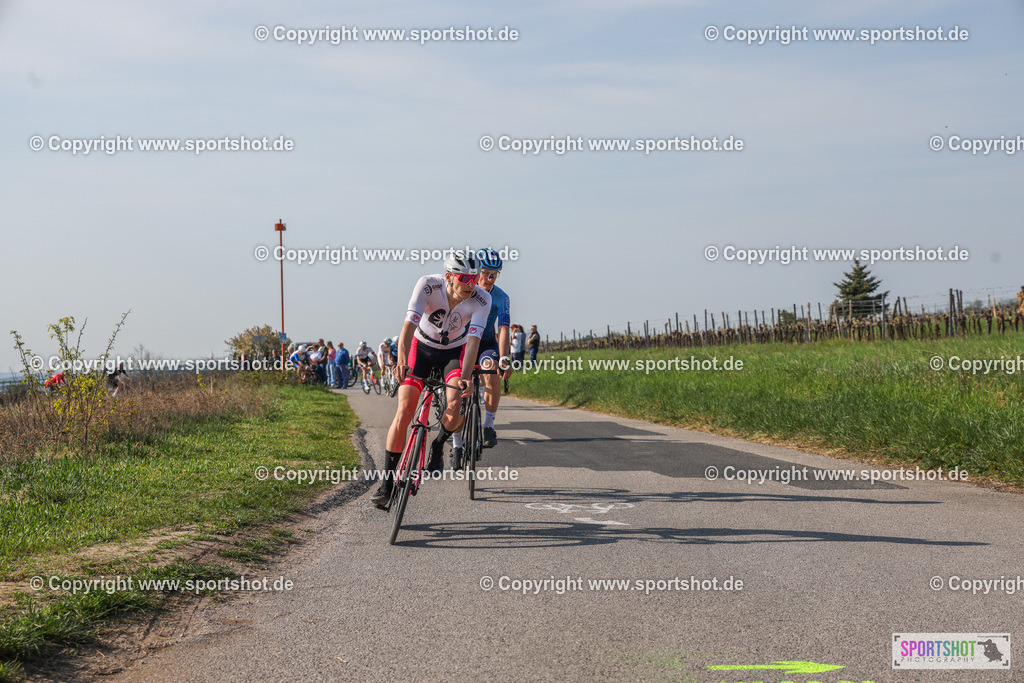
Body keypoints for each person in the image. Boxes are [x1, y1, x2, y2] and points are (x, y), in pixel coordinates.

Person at [370, 252, 490, 508]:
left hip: (454, 353)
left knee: (456, 403)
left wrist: (465, 379)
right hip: (421, 348)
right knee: (404, 410)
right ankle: (387, 484)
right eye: (464, 278)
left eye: (474, 278)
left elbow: (473, 342)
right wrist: (401, 362)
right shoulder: (428, 285)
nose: (471, 284)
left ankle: (438, 444)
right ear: (449, 277)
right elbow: (408, 327)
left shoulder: (482, 299)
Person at [451, 248, 510, 463]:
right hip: (462, 344)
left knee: (491, 372)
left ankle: (488, 427)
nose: (490, 278)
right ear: (477, 273)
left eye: (494, 274)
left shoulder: (501, 297)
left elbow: (503, 328)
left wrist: (504, 358)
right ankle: (457, 444)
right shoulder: (466, 291)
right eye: (485, 273)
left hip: (485, 344)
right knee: (458, 391)